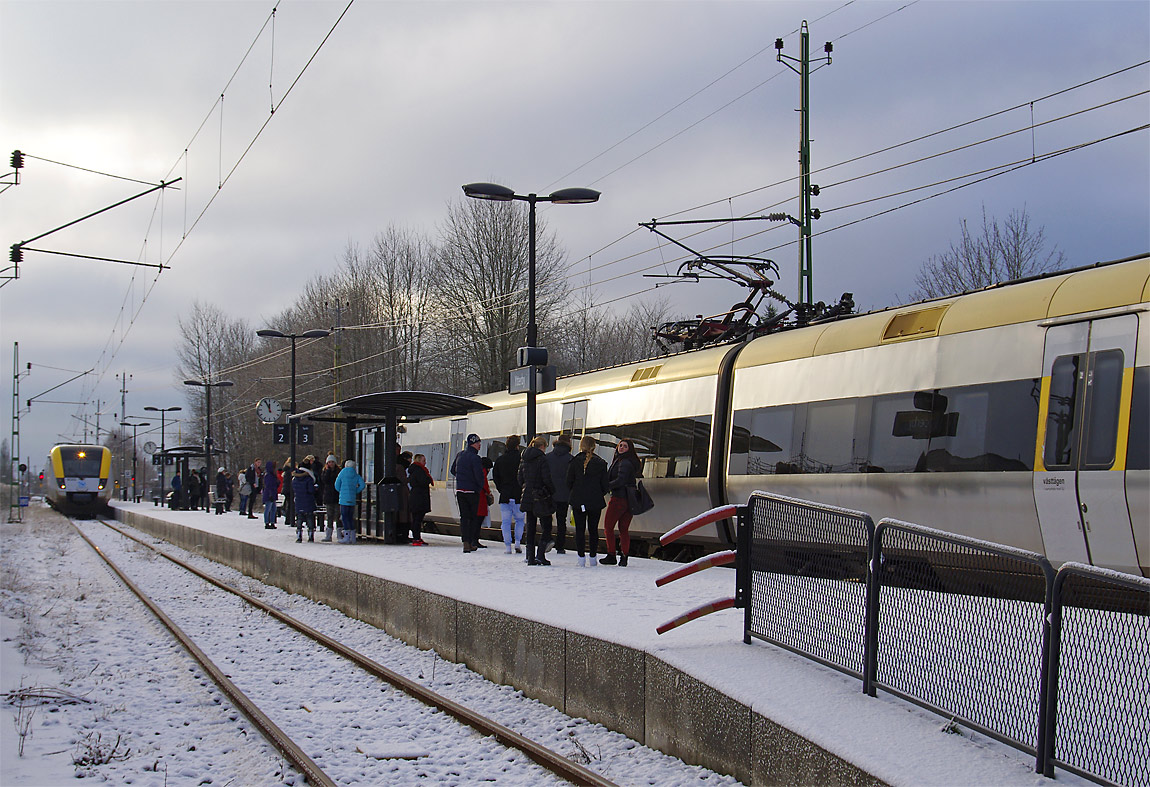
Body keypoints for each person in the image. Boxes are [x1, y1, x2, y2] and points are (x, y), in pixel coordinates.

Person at [567, 435, 609, 567]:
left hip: (578, 501)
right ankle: (592, 558)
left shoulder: (574, 462)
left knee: (580, 529)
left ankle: (580, 558)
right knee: (593, 530)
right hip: (595, 502)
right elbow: (605, 486)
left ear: (581, 446)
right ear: (594, 446)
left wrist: (577, 493)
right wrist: (596, 494)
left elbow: (569, 482)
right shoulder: (601, 463)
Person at [601, 439, 641, 566]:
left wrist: (606, 486)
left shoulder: (623, 462)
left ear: (629, 449)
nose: (621, 448)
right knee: (623, 529)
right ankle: (624, 557)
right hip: (629, 500)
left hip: (619, 498)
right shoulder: (630, 462)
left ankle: (611, 554)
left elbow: (620, 480)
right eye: (620, 445)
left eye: (625, 446)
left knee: (608, 527)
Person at [518, 435, 555, 566]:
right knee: (546, 525)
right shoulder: (542, 459)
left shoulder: (524, 459)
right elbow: (546, 479)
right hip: (540, 497)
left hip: (527, 496)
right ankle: (540, 555)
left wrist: (526, 489)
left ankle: (530, 556)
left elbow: (520, 479)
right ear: (542, 446)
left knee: (531, 527)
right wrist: (550, 490)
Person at [451, 433, 485, 553]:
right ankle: (470, 542)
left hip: (460, 491)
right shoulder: (475, 458)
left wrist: (462, 479)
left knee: (464, 517)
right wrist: (479, 487)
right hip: (472, 492)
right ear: (473, 444)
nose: (480, 445)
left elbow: (452, 470)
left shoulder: (460, 455)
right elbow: (479, 476)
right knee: (472, 517)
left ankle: (465, 542)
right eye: (478, 443)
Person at [492, 434, 525, 554]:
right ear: (518, 446)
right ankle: (517, 543)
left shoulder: (500, 460)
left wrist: (501, 489)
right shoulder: (522, 460)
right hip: (518, 495)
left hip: (505, 495)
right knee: (520, 520)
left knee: (505, 522)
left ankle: (507, 547)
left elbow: (496, 477)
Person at [546, 433, 574, 553]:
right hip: (564, 495)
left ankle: (547, 540)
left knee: (547, 518)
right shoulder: (571, 459)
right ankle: (560, 546)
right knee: (561, 520)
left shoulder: (547, 457)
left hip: (549, 494)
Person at [334, 459, 365, 543]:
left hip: (343, 500)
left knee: (344, 517)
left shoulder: (342, 473)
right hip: (352, 499)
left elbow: (336, 485)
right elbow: (362, 485)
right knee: (350, 518)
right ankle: (353, 537)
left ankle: (346, 537)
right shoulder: (355, 475)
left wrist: (341, 491)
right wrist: (355, 491)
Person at [407, 453, 433, 546]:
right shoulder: (419, 470)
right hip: (419, 498)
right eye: (423, 460)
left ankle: (417, 537)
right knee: (417, 519)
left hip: (416, 497)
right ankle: (416, 538)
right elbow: (422, 481)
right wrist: (428, 479)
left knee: (417, 519)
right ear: (419, 461)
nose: (425, 463)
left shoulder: (415, 470)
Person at [291, 455, 319, 542]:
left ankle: (299, 535)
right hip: (308, 501)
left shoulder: (295, 479)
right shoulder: (308, 479)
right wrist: (315, 488)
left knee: (299, 518)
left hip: (299, 501)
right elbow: (310, 490)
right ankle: (310, 535)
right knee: (310, 518)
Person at [319, 454, 340, 541]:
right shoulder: (324, 471)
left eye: (332, 462)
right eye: (329, 462)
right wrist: (327, 471)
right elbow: (324, 480)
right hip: (328, 497)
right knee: (329, 516)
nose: (331, 464)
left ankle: (339, 534)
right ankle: (328, 535)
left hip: (337, 496)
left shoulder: (338, 472)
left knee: (338, 516)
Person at [262, 459, 280, 529]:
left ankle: (272, 522)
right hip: (270, 494)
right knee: (268, 509)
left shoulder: (271, 475)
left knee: (273, 509)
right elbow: (269, 485)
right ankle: (267, 523)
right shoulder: (269, 475)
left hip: (272, 493)